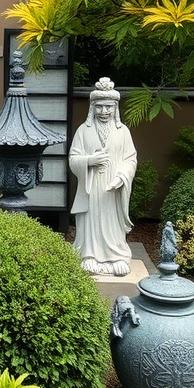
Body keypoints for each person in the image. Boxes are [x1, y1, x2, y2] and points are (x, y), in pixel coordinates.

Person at [69, 77, 137, 276]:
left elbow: (130, 158)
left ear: (115, 108)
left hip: (113, 188)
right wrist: (89, 160)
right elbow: (73, 158)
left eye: (109, 107)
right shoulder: (83, 131)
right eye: (99, 107)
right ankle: (89, 255)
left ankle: (117, 256)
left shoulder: (123, 132)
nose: (104, 111)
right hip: (91, 187)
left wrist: (122, 176)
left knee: (112, 223)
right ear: (92, 108)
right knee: (90, 221)